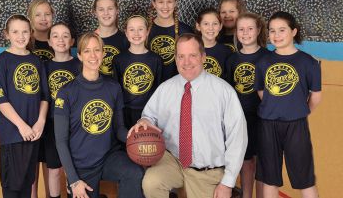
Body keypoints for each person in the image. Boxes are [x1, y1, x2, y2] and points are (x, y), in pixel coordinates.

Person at [129, 33, 247, 198]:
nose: (186, 62)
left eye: (192, 56)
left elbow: (238, 140)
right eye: (181, 57)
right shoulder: (166, 88)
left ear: (203, 57)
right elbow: (149, 115)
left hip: (206, 171)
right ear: (176, 59)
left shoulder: (223, 91)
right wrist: (144, 120)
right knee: (151, 182)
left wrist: (227, 183)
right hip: (173, 161)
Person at [54, 32, 144, 198]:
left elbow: (119, 129)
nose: (93, 55)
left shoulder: (113, 87)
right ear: (79, 56)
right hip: (82, 165)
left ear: (103, 53)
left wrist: (137, 136)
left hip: (109, 157)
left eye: (97, 50)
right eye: (87, 51)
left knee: (135, 173)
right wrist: (73, 180)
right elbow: (60, 141)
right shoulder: (66, 92)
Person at [254, 11, 322, 198]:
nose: (276, 35)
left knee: (305, 179)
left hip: (296, 125)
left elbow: (316, 96)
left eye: (282, 30)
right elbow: (262, 92)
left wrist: (298, 111)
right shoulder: (263, 62)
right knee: (270, 178)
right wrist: (275, 107)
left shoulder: (309, 62)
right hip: (268, 124)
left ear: (293, 31)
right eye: (272, 31)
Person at [0, 14, 49, 198]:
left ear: (31, 34)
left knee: (26, 185)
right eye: (15, 32)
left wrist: (40, 122)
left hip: (33, 133)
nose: (20, 36)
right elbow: (0, 99)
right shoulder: (2, 62)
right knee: (12, 188)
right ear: (6, 34)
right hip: (13, 134)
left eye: (24, 31)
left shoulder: (36, 61)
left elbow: (44, 97)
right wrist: (21, 125)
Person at [225, 13, 269, 198]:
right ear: (236, 32)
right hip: (241, 118)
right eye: (241, 29)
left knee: (263, 163)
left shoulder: (269, 57)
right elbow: (227, 92)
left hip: (264, 118)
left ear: (258, 30)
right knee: (246, 161)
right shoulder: (232, 60)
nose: (245, 33)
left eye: (250, 28)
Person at [44, 22, 80, 198]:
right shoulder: (44, 67)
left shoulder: (79, 65)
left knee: (74, 168)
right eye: (56, 36)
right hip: (53, 124)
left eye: (65, 36)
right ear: (49, 41)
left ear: (72, 41)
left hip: (75, 124)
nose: (60, 40)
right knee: (54, 170)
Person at [112, 15, 163, 129]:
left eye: (140, 29)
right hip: (125, 112)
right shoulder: (119, 59)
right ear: (126, 32)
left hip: (149, 113)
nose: (136, 33)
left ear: (147, 31)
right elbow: (116, 90)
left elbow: (159, 90)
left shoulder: (156, 59)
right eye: (132, 29)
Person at [27, 0, 55, 198]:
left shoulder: (57, 40)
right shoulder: (26, 43)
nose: (43, 19)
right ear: (30, 17)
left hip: (53, 112)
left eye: (47, 14)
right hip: (29, 111)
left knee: (50, 161)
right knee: (31, 162)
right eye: (38, 14)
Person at [148, 0, 193, 82]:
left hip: (178, 88)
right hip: (151, 90)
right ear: (154, 4)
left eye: (169, 1)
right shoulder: (144, 31)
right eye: (160, 2)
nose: (165, 6)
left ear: (175, 3)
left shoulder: (186, 31)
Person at [93, 0, 129, 76]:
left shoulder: (126, 39)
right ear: (95, 13)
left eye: (110, 8)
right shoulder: (88, 40)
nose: (106, 13)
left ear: (117, 11)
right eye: (101, 9)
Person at [195, 8, 233, 80]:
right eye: (206, 24)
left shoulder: (227, 52)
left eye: (215, 24)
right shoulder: (191, 49)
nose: (211, 28)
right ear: (198, 26)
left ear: (220, 26)